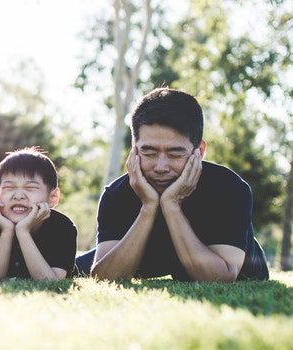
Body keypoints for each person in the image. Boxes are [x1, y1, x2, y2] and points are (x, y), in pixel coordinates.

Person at [75, 87, 269, 281]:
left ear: (199, 152)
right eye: (149, 153)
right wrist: (149, 207)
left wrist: (171, 205)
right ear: (134, 149)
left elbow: (222, 277)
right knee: (70, 268)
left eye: (175, 154)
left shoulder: (230, 189)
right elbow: (104, 278)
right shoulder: (116, 194)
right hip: (148, 254)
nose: (160, 167)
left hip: (224, 258)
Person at [0, 147, 77, 280]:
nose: (18, 196)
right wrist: (7, 231)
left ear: (53, 197)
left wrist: (22, 231)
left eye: (30, 188)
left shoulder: (63, 227)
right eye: (9, 187)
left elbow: (51, 281)